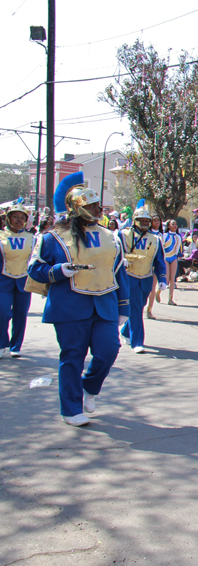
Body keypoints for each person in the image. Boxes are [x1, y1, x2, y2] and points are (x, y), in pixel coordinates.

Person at [27, 172, 130, 427]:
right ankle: (71, 409)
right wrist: (59, 270)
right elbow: (35, 269)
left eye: (97, 205)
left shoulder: (111, 236)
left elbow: (118, 271)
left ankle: (89, 387)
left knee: (109, 351)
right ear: (76, 208)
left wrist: (123, 305)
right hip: (69, 305)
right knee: (72, 356)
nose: (97, 210)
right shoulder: (51, 237)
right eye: (91, 206)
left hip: (104, 302)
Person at [118, 200, 167, 353]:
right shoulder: (123, 234)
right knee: (135, 308)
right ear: (135, 221)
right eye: (142, 220)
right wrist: (122, 260)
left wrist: (162, 279)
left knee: (138, 308)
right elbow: (115, 253)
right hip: (129, 276)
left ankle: (126, 331)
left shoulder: (156, 239)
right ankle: (137, 342)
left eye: (147, 221)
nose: (145, 223)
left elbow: (159, 261)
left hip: (146, 278)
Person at [0, 198, 35, 358]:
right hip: (3, 281)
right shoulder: (1, 236)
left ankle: (16, 346)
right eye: (15, 217)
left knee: (21, 314)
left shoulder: (33, 238)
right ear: (8, 218)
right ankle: (2, 343)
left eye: (22, 218)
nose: (19, 220)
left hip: (23, 281)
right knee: (3, 312)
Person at [160, 220, 182, 305]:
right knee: (166, 277)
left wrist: (178, 254)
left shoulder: (178, 237)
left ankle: (170, 298)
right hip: (166, 257)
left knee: (172, 278)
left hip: (173, 257)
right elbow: (161, 247)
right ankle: (159, 291)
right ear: (168, 226)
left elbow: (179, 247)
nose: (175, 226)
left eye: (176, 224)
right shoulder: (165, 236)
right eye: (173, 224)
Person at [146, 215, 163, 319]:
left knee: (153, 288)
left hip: (156, 264)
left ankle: (149, 310)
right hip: (146, 263)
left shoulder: (161, 235)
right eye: (154, 220)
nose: (157, 222)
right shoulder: (147, 234)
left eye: (158, 220)